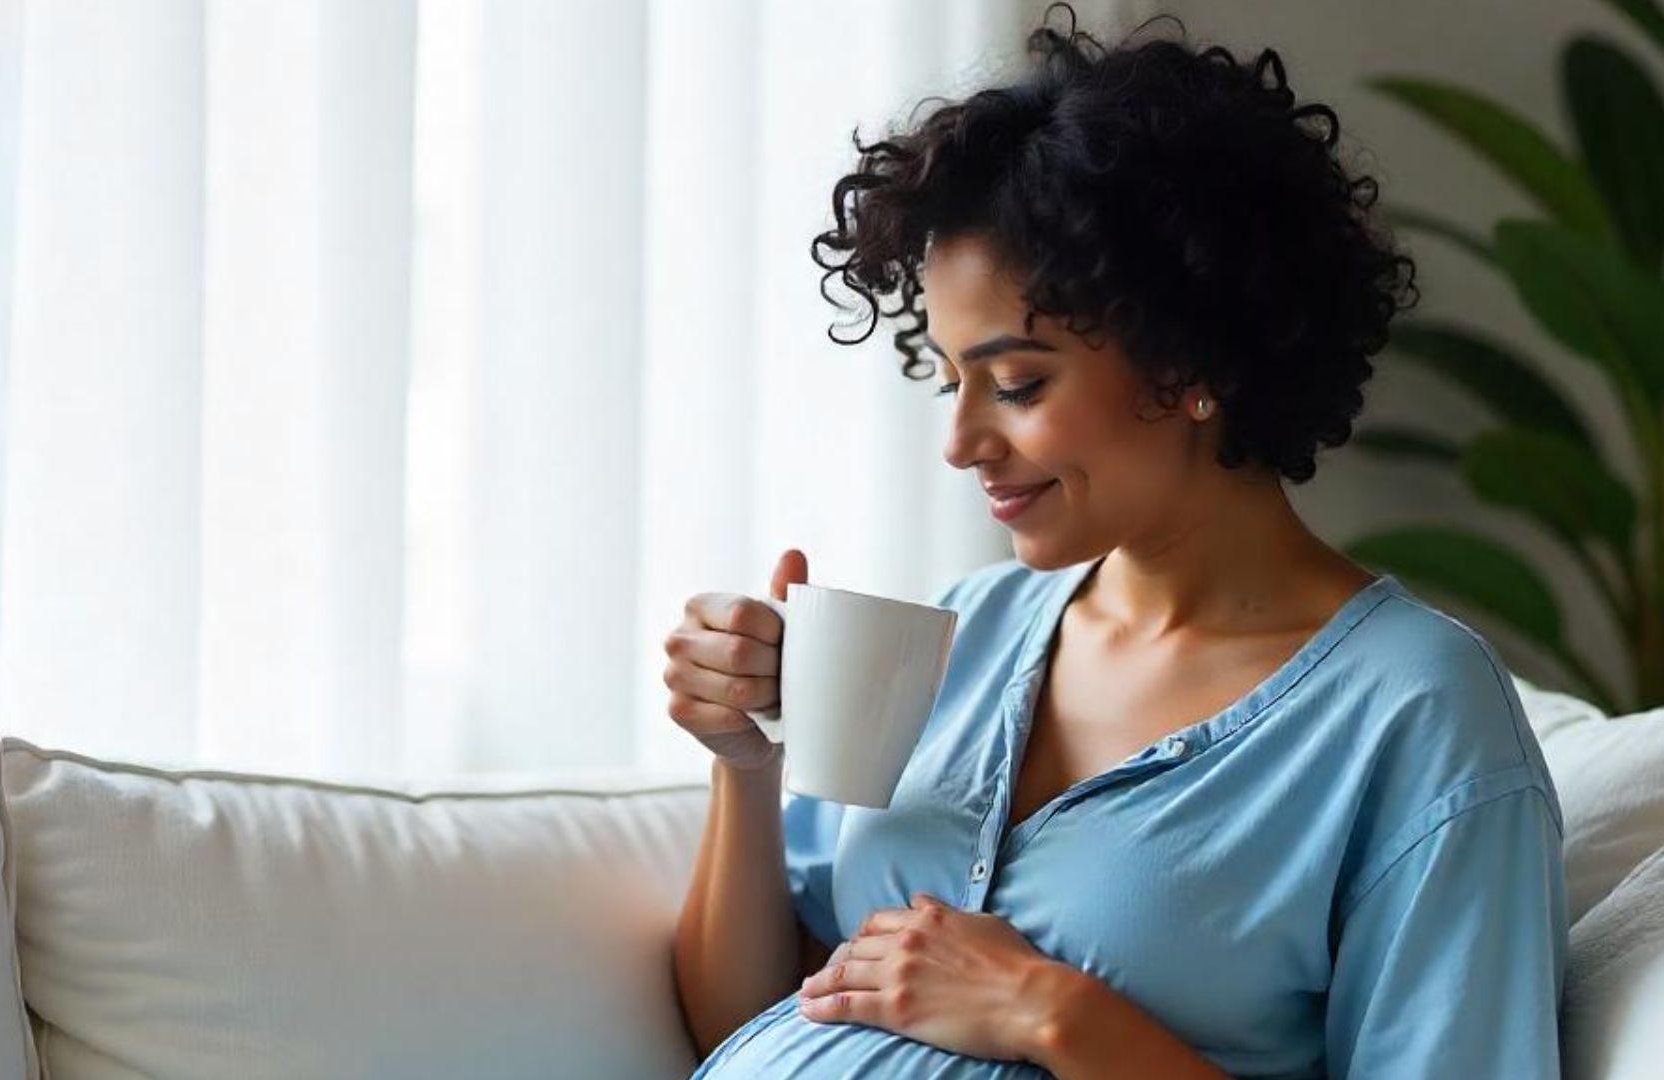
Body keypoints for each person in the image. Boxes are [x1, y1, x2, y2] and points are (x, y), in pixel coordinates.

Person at [664, 6, 1567, 1077]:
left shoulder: (1413, 712)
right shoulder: (971, 634)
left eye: (1018, 384)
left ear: (1193, 364)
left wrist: (1056, 1016)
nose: (960, 443)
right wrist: (747, 767)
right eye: (950, 381)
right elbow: (746, 1020)